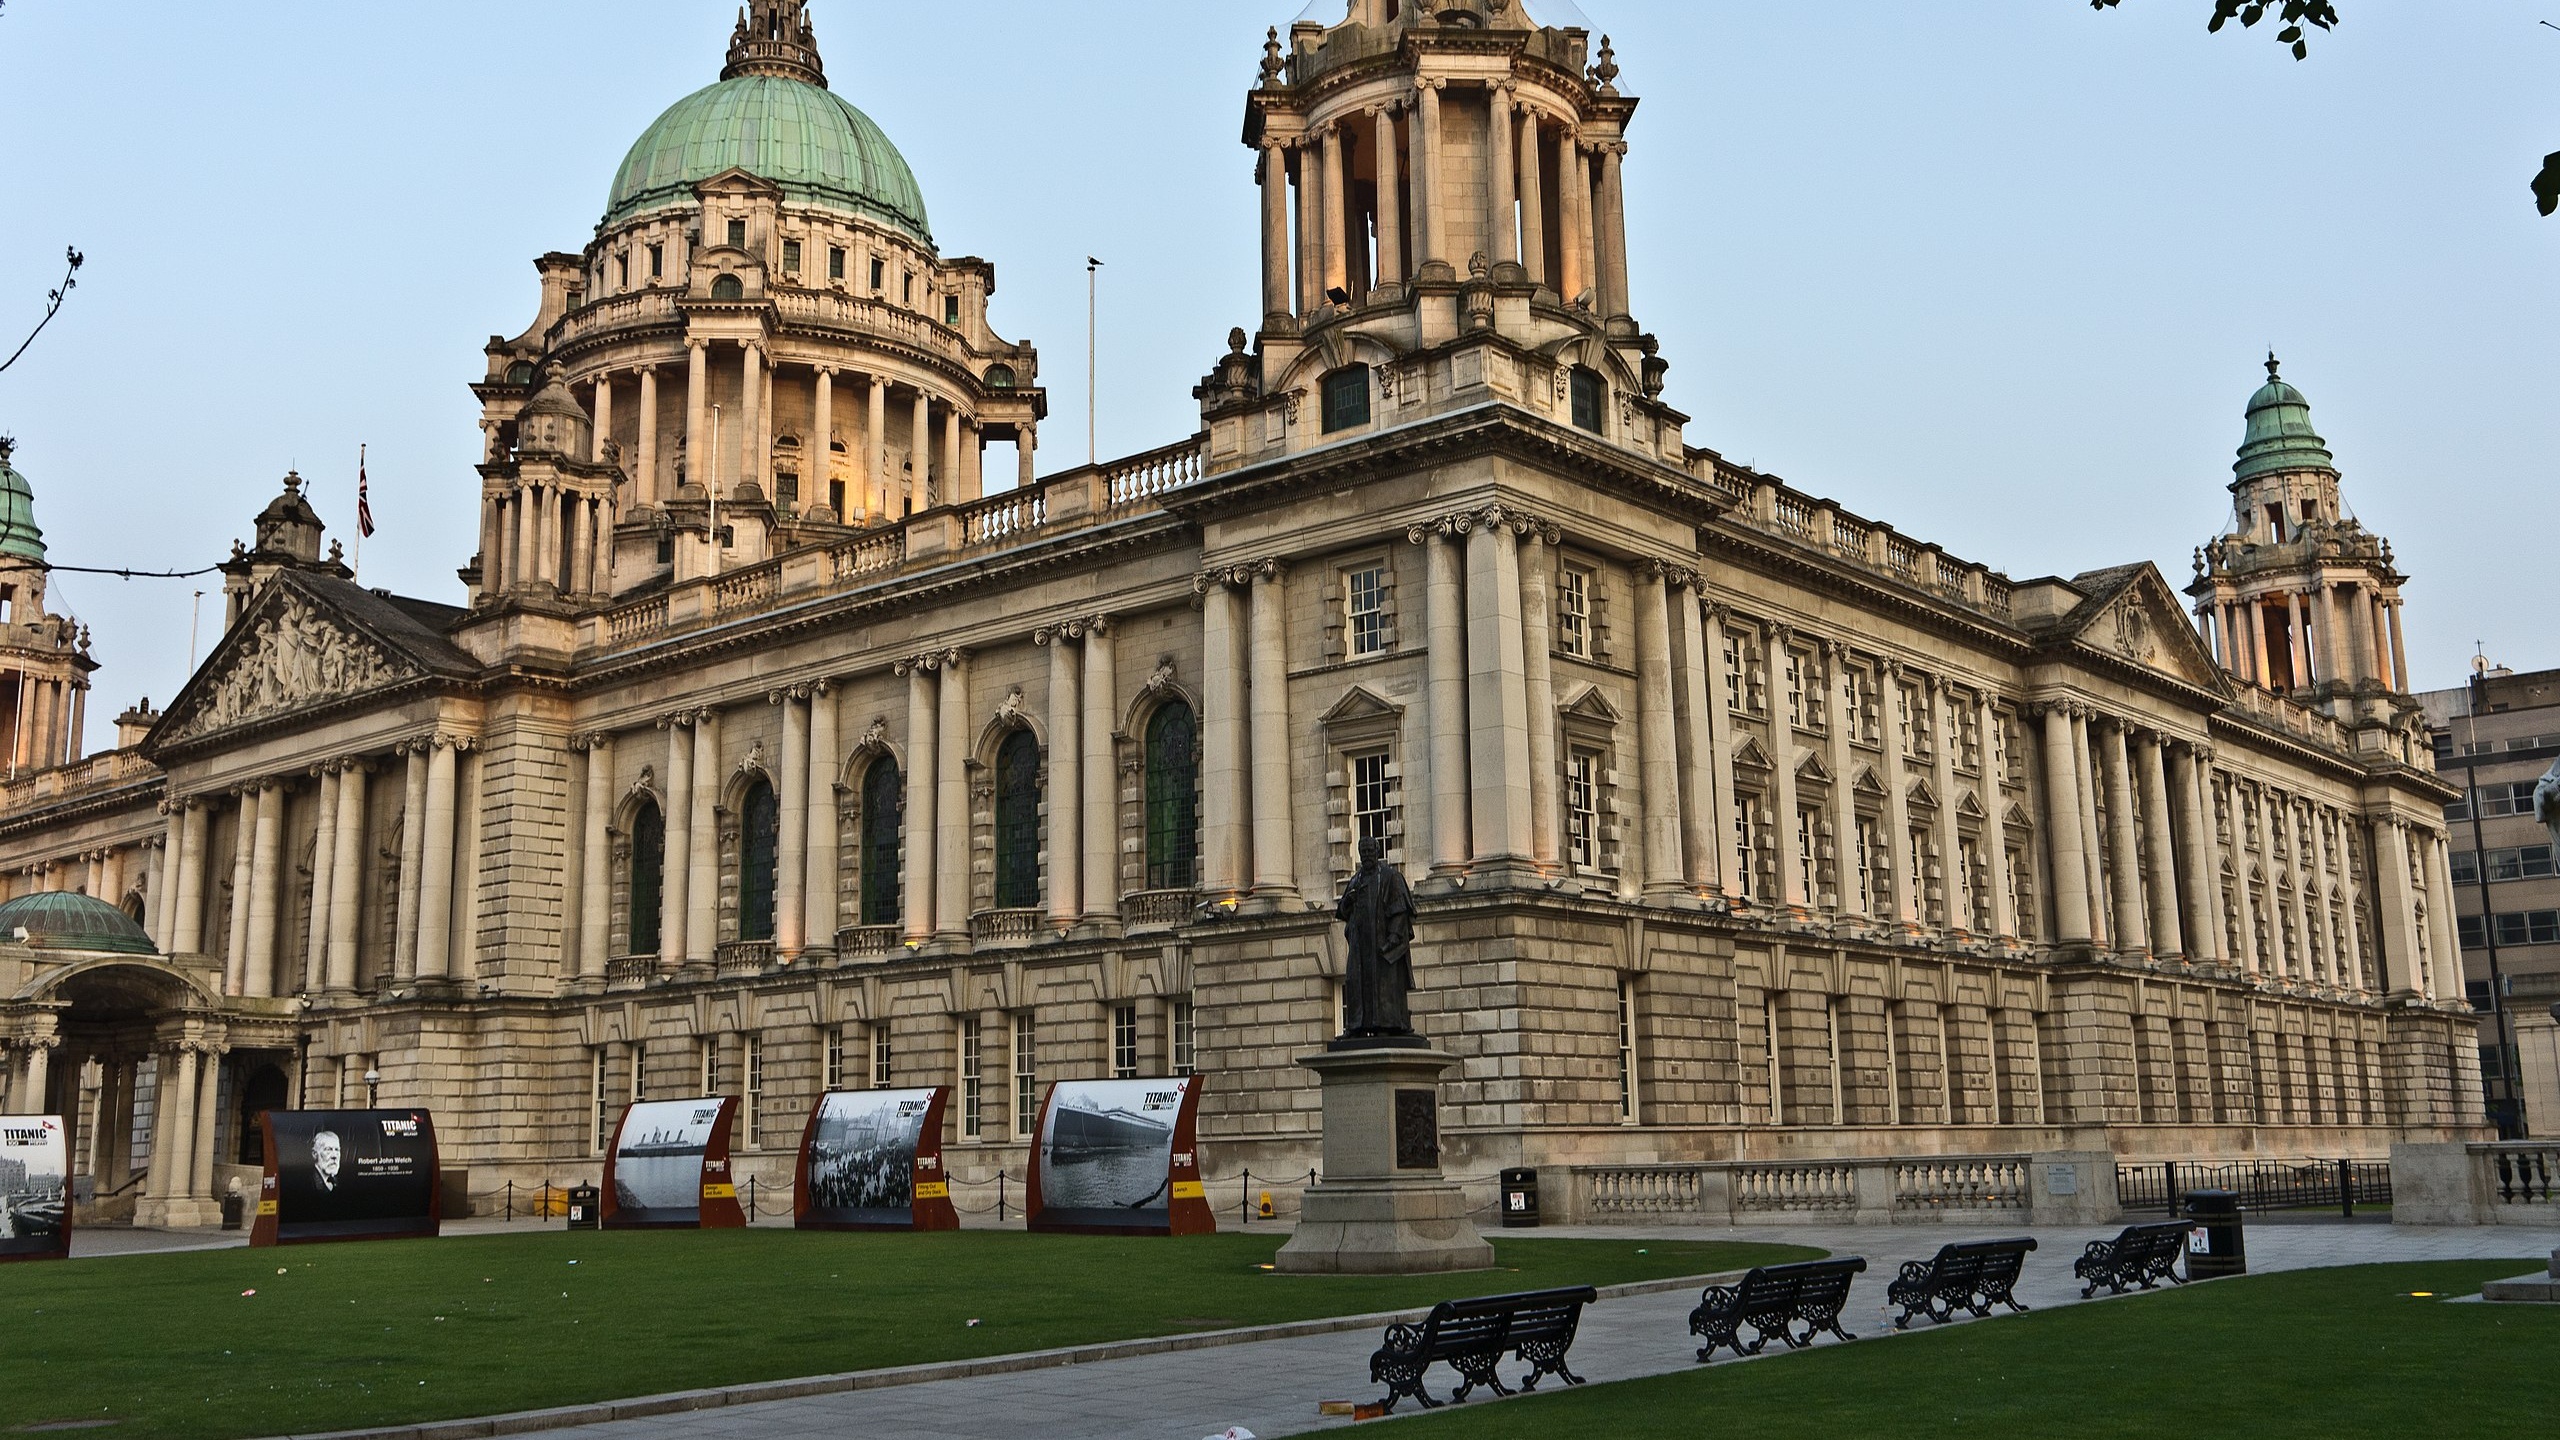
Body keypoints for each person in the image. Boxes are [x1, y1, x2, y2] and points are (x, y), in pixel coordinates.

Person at [1336, 835, 1417, 1038]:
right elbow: (1342, 911)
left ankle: (1387, 1025)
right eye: (1363, 852)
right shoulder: (1356, 880)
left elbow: (1400, 911)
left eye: (1370, 852)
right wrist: (1348, 901)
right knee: (1357, 981)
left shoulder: (1391, 877)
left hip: (1382, 946)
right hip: (1360, 946)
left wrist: (1393, 938)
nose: (1367, 856)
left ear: (1377, 852)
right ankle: (1357, 1026)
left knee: (1385, 986)